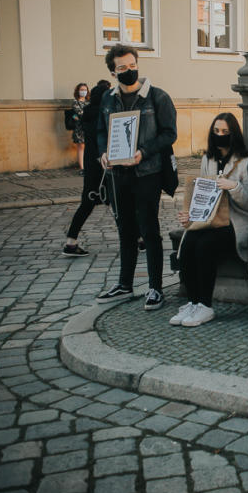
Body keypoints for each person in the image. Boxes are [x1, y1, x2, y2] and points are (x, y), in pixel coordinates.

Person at [96, 44, 177, 310]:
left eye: (132, 66)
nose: (129, 71)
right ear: (112, 71)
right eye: (122, 68)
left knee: (149, 229)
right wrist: (102, 153)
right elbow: (100, 131)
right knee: (125, 230)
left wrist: (144, 151)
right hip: (118, 173)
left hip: (147, 172)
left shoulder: (157, 97)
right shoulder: (108, 99)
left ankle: (155, 287)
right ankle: (124, 283)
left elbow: (169, 134)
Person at [169, 113, 248, 327]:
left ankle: (205, 305)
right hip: (209, 218)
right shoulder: (208, 159)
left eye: (225, 132)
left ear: (233, 133)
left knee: (205, 245)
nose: (220, 135)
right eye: (216, 131)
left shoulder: (245, 161)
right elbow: (201, 193)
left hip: (236, 222)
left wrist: (233, 187)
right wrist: (190, 214)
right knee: (188, 242)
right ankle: (193, 301)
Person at [63, 80, 111, 256]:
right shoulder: (105, 115)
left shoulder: (87, 114)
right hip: (106, 164)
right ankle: (139, 240)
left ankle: (70, 242)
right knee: (120, 203)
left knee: (86, 204)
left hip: (91, 165)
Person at [71, 83, 90, 174]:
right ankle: (82, 168)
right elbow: (80, 113)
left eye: (85, 90)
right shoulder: (75, 102)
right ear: (78, 91)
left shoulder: (88, 101)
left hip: (88, 127)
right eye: (82, 90)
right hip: (79, 128)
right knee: (81, 147)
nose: (84, 91)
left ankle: (87, 165)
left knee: (87, 147)